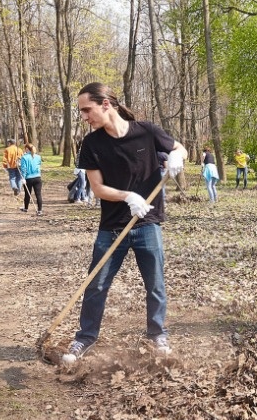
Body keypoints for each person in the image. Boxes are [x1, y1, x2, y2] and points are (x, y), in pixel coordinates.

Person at [62, 82, 187, 364]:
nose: (84, 117)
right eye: (82, 112)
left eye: (87, 110)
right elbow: (97, 189)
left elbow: (180, 148)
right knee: (96, 285)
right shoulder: (92, 144)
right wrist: (128, 196)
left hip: (148, 224)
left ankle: (158, 334)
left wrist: (178, 155)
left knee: (155, 284)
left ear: (106, 104)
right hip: (111, 227)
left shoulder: (146, 131)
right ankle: (85, 338)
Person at [19, 142, 43, 216]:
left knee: (27, 194)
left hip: (28, 178)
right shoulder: (38, 157)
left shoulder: (24, 157)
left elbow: (24, 169)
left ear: (26, 149)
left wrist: (23, 177)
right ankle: (40, 210)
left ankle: (26, 208)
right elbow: (38, 165)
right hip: (37, 178)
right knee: (38, 194)